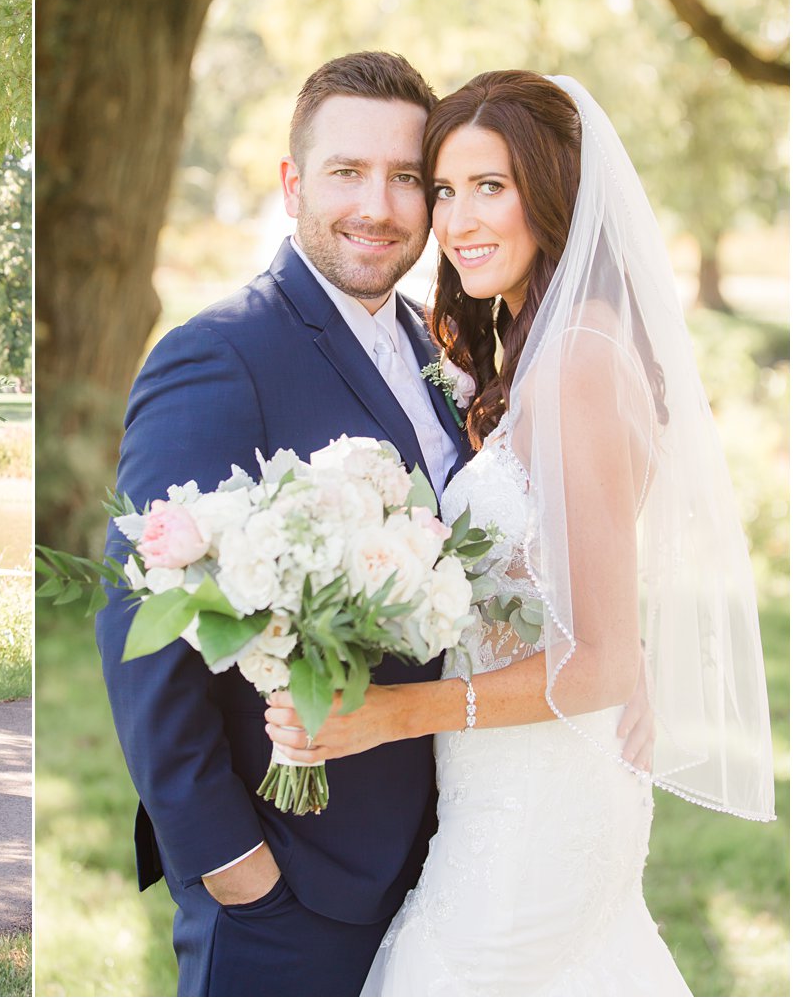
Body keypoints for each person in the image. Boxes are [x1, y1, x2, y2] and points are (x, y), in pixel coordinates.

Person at [261, 72, 775, 995]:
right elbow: (580, 583)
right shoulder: (539, 347)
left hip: (538, 801)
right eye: (445, 189)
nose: (457, 222)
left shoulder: (575, 357)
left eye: (489, 187)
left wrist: (386, 716)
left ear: (551, 192)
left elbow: (602, 660)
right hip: (518, 780)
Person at [95, 51, 472, 997]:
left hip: (440, 868)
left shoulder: (434, 347)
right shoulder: (220, 355)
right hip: (290, 884)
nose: (378, 206)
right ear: (292, 181)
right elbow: (140, 620)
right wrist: (229, 862)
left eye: (405, 179)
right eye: (348, 172)